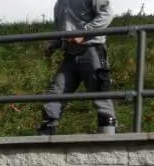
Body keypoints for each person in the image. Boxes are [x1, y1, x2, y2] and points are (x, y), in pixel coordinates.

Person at [37, 0, 117, 136]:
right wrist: (52, 44)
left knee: (99, 91)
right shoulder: (59, 4)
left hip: (91, 50)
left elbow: (107, 13)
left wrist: (85, 33)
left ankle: (108, 136)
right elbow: (62, 29)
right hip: (69, 54)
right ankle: (47, 132)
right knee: (56, 91)